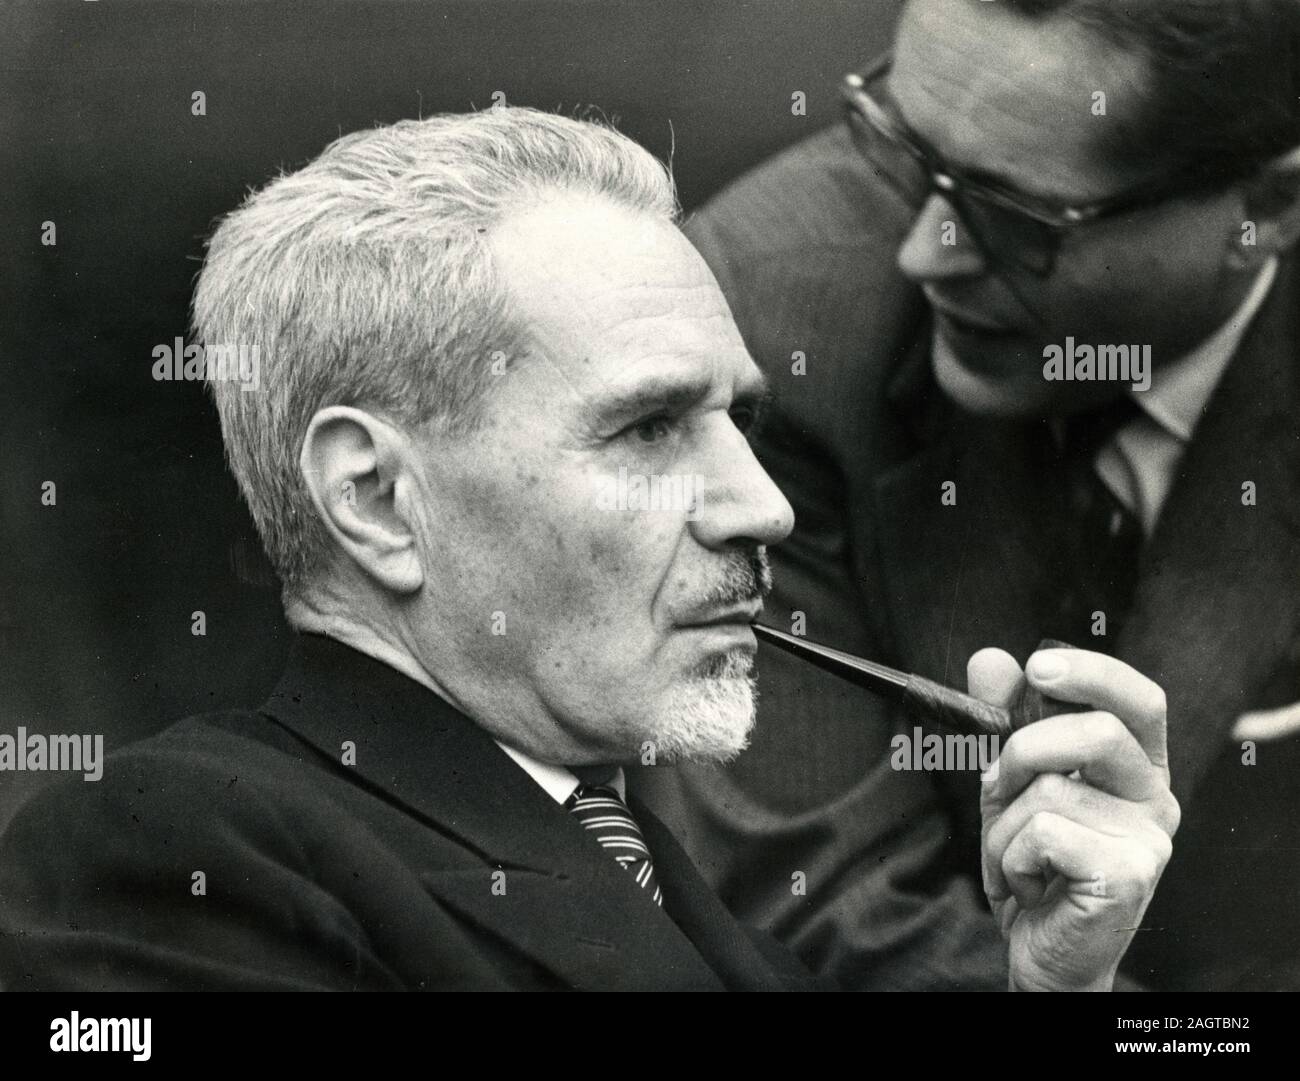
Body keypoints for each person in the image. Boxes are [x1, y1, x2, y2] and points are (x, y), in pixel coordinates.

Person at [0, 107, 1176, 991]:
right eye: (650, 426)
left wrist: (1051, 993)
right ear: (373, 496)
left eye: (741, 422)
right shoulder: (171, 854)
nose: (763, 506)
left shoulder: (704, 920)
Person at [631, 0, 1300, 991]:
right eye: (900, 142)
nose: (925, 252)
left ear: (1270, 209)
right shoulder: (767, 328)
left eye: (1018, 218)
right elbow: (829, 900)